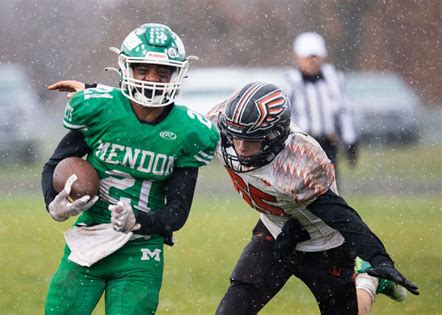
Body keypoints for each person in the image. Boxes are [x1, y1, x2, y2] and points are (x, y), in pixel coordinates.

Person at [41, 23, 219, 314]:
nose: (152, 79)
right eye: (143, 70)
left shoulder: (188, 132)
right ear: (126, 68)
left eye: (163, 72)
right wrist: (53, 204)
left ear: (178, 74)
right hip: (88, 238)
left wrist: (138, 221)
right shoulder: (101, 111)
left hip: (141, 250)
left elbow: (178, 210)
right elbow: (53, 165)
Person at [205, 82, 418, 314]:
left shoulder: (298, 161)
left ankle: (366, 279)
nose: (241, 148)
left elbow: (340, 215)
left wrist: (379, 258)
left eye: (251, 140)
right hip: (275, 230)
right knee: (233, 308)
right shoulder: (216, 126)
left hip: (324, 242)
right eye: (236, 137)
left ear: (274, 135)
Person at [285, 32, 358, 179]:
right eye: (309, 57)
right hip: (301, 145)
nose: (313, 61)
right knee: (302, 185)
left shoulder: (333, 80)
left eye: (316, 56)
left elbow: (343, 110)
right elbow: (285, 115)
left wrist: (350, 140)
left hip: (328, 143)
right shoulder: (290, 82)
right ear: (299, 57)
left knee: (330, 186)